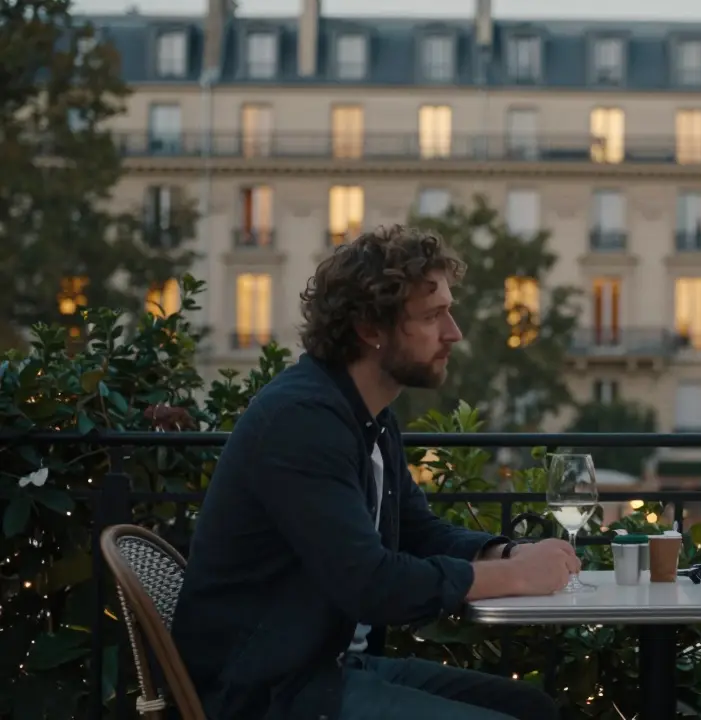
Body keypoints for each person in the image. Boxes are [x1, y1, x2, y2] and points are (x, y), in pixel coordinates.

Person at [170, 225, 574, 720]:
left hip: (329, 668)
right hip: (267, 690)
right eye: (432, 316)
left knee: (532, 708)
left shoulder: (371, 416)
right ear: (370, 329)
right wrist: (513, 576)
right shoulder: (302, 421)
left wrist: (505, 551)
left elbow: (418, 531)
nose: (454, 332)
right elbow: (371, 584)